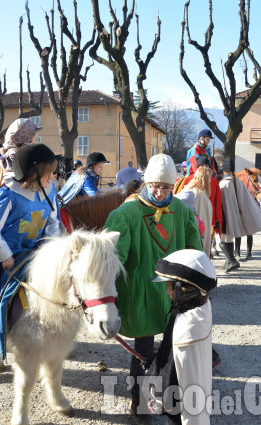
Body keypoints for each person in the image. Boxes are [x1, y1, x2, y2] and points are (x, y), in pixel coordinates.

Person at [103, 153, 202, 425]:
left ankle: (175, 395)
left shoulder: (181, 211)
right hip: (140, 292)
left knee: (175, 346)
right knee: (144, 349)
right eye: (155, 186)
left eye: (166, 187)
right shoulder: (125, 213)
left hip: (174, 293)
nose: (160, 192)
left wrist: (197, 283)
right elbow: (112, 259)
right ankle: (139, 399)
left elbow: (194, 250)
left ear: (174, 186)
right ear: (146, 182)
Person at [0, 143, 61, 360]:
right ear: (34, 173)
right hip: (4, 254)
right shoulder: (8, 194)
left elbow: (52, 223)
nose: (53, 176)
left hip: (33, 251)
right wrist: (5, 256)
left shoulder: (49, 189)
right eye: (48, 172)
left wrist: (50, 248)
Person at [142, 249, 216, 425]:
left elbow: (177, 371)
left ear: (185, 289)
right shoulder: (197, 307)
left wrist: (161, 398)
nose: (167, 293)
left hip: (180, 404)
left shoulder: (187, 328)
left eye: (169, 287)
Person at [217, 158, 261, 272]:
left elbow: (219, 202)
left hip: (226, 217)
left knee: (222, 240)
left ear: (224, 171)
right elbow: (247, 201)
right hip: (237, 215)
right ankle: (228, 262)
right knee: (229, 239)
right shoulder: (239, 182)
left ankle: (232, 261)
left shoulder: (223, 184)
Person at [0, 118, 43, 190]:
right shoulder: (17, 163)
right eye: (35, 139)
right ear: (26, 143)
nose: (37, 143)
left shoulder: (12, 158)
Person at [182, 166, 214, 258]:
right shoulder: (196, 193)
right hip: (197, 233)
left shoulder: (200, 193)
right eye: (209, 179)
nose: (211, 181)